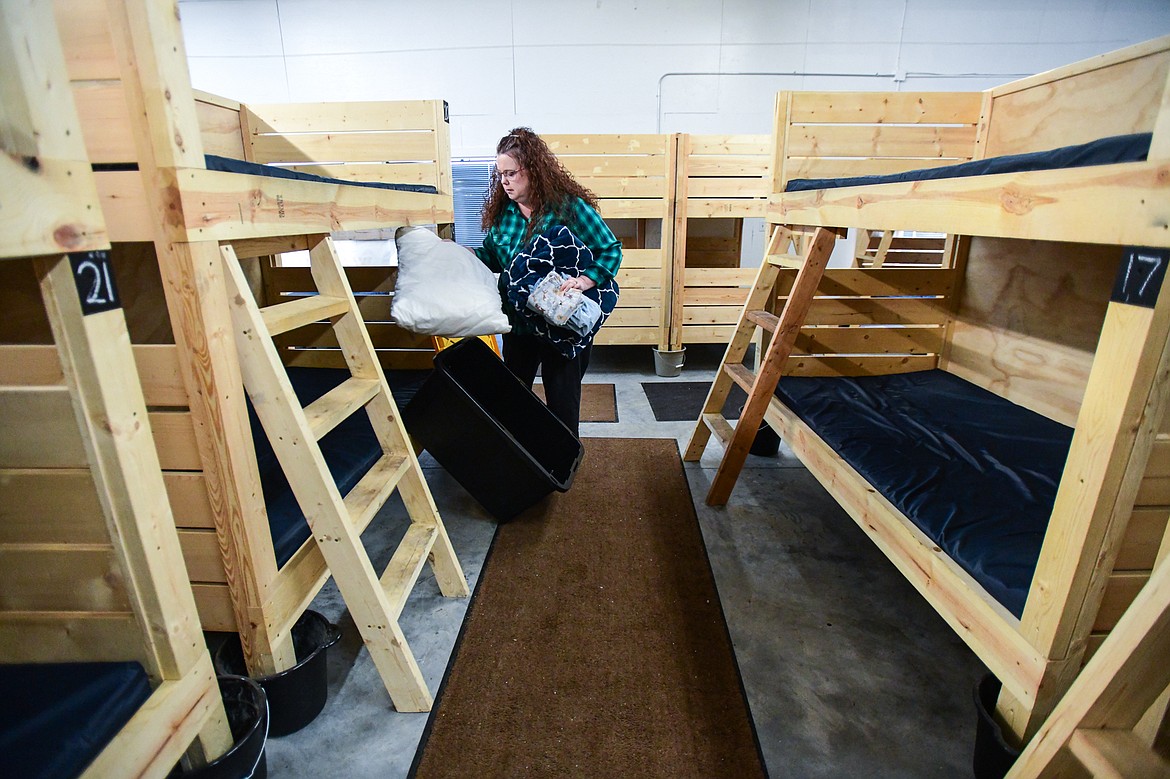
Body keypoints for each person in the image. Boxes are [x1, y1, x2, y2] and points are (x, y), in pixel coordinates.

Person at [473, 128, 622, 437]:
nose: (505, 181)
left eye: (512, 173)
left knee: (563, 403)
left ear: (534, 170)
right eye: (500, 174)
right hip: (520, 324)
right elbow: (490, 255)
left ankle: (563, 460)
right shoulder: (505, 215)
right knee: (514, 396)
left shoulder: (569, 209)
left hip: (563, 326)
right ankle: (525, 459)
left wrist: (585, 279)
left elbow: (610, 249)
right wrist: (457, 257)